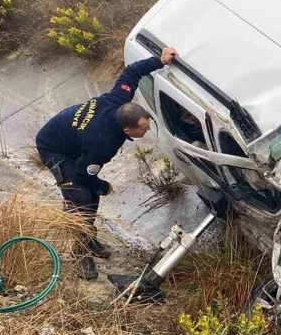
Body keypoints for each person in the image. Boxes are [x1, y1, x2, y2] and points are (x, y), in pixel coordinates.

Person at [35, 45, 178, 279]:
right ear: (127, 128)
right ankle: (81, 255)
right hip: (55, 149)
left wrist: (160, 61)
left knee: (91, 197)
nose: (148, 129)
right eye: (144, 128)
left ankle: (90, 240)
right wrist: (103, 186)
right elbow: (83, 175)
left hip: (72, 137)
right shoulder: (102, 143)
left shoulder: (118, 99)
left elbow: (132, 72)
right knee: (82, 199)